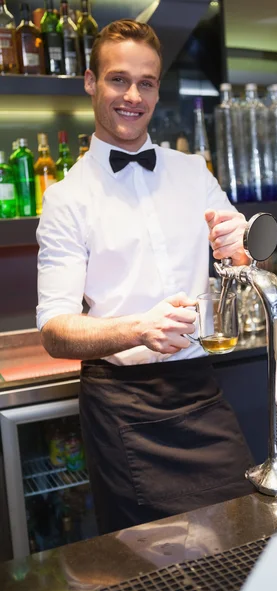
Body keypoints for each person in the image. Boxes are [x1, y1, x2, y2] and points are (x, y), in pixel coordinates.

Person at [37, 19, 253, 535]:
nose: (133, 96)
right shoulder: (66, 199)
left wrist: (240, 248)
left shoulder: (193, 172)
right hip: (123, 406)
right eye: (118, 80)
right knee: (154, 567)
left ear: (158, 87)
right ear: (91, 82)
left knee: (243, 534)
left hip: (201, 391)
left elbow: (239, 263)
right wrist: (138, 329)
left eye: (147, 83)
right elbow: (54, 329)